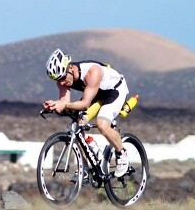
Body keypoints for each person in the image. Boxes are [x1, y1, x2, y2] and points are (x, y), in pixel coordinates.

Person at [42, 49, 129, 177]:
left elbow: (85, 104)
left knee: (102, 124)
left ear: (70, 68)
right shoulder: (62, 79)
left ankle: (122, 153)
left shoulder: (92, 71)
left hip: (114, 91)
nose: (61, 83)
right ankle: (86, 167)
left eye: (63, 78)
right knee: (78, 124)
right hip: (95, 93)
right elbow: (65, 103)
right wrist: (54, 106)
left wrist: (64, 105)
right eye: (58, 80)